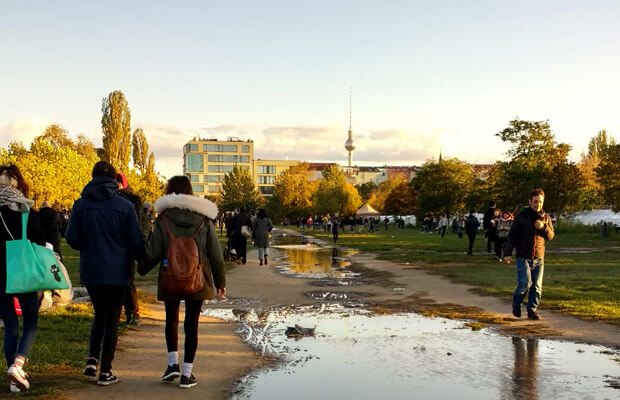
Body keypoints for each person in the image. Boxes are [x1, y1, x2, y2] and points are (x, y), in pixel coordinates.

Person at [138, 175, 225, 389]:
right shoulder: (203, 219)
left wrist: (141, 268)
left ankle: (172, 365)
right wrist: (220, 281)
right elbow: (215, 254)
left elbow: (155, 251)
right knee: (192, 324)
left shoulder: (164, 219)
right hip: (198, 278)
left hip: (170, 275)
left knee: (171, 320)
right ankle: (187, 375)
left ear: (170, 192)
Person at [65, 161, 145, 386]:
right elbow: (136, 240)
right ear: (114, 180)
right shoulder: (124, 206)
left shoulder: (80, 205)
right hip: (118, 270)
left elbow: (72, 238)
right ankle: (106, 370)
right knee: (111, 319)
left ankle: (92, 359)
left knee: (99, 314)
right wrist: (141, 259)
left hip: (91, 269)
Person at [0, 165, 45, 393]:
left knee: (10, 326)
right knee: (31, 324)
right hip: (24, 273)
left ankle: (12, 379)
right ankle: (18, 364)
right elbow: (39, 242)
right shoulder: (27, 212)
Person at [504, 188, 555, 320]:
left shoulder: (545, 217)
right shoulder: (522, 216)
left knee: (537, 286)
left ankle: (532, 310)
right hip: (523, 256)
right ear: (530, 202)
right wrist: (508, 253)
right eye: (535, 202)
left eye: (540, 202)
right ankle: (516, 303)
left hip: (539, 256)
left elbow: (550, 236)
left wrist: (543, 227)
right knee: (525, 283)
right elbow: (512, 236)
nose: (538, 204)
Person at [116, 172, 143, 326]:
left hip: (126, 246)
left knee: (127, 281)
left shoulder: (130, 202)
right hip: (122, 245)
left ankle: (132, 312)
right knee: (123, 281)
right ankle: (127, 312)